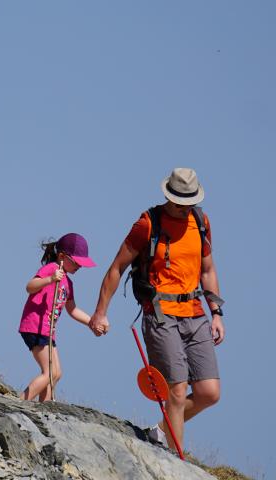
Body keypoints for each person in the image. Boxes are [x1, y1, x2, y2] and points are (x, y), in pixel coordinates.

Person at [88, 167, 225, 452]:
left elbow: (208, 269)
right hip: (160, 314)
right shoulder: (148, 223)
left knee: (209, 393)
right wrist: (100, 312)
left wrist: (217, 313)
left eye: (189, 202)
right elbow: (116, 268)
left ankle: (161, 431)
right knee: (176, 390)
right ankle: (176, 460)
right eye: (179, 202)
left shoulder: (201, 221)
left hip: (196, 313)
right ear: (168, 196)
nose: (184, 207)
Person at [18, 233, 97, 402]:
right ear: (61, 256)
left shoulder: (68, 283)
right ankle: (19, 402)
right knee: (50, 372)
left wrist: (92, 322)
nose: (80, 266)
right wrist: (50, 279)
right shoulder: (51, 269)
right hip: (35, 326)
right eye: (77, 262)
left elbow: (73, 310)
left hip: (48, 331)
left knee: (56, 373)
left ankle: (43, 409)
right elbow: (30, 287)